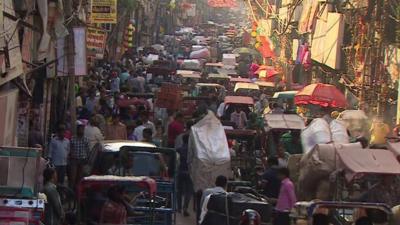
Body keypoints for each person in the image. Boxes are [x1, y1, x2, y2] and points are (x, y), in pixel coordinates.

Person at [69, 122, 91, 189]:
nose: (81, 131)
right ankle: (71, 191)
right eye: (80, 129)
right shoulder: (73, 139)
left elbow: (88, 151)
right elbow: (70, 149)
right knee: (73, 177)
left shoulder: (86, 139)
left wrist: (87, 159)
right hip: (74, 160)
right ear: (77, 130)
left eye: (82, 129)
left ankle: (78, 191)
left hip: (82, 160)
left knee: (80, 178)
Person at [176, 134, 193, 217]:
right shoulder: (193, 151)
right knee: (188, 191)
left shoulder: (179, 149)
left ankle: (178, 207)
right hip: (189, 172)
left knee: (179, 190)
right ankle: (185, 207)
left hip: (180, 171)